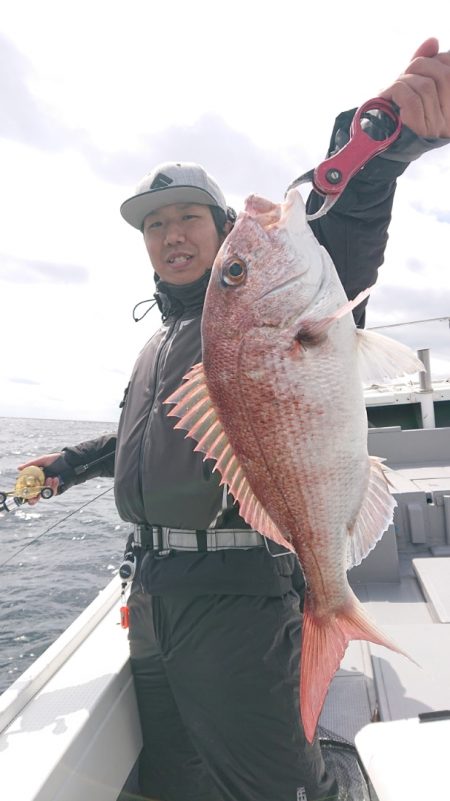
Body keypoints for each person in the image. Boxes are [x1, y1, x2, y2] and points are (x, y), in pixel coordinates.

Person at [20, 38, 450, 801]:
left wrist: (377, 142)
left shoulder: (258, 313)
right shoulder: (158, 343)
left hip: (239, 595)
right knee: (174, 773)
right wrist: (64, 464)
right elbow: (137, 440)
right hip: (152, 594)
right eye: (154, 226)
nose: (170, 235)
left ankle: (340, 769)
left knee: (279, 784)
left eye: (188, 217)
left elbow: (342, 224)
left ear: (221, 230)